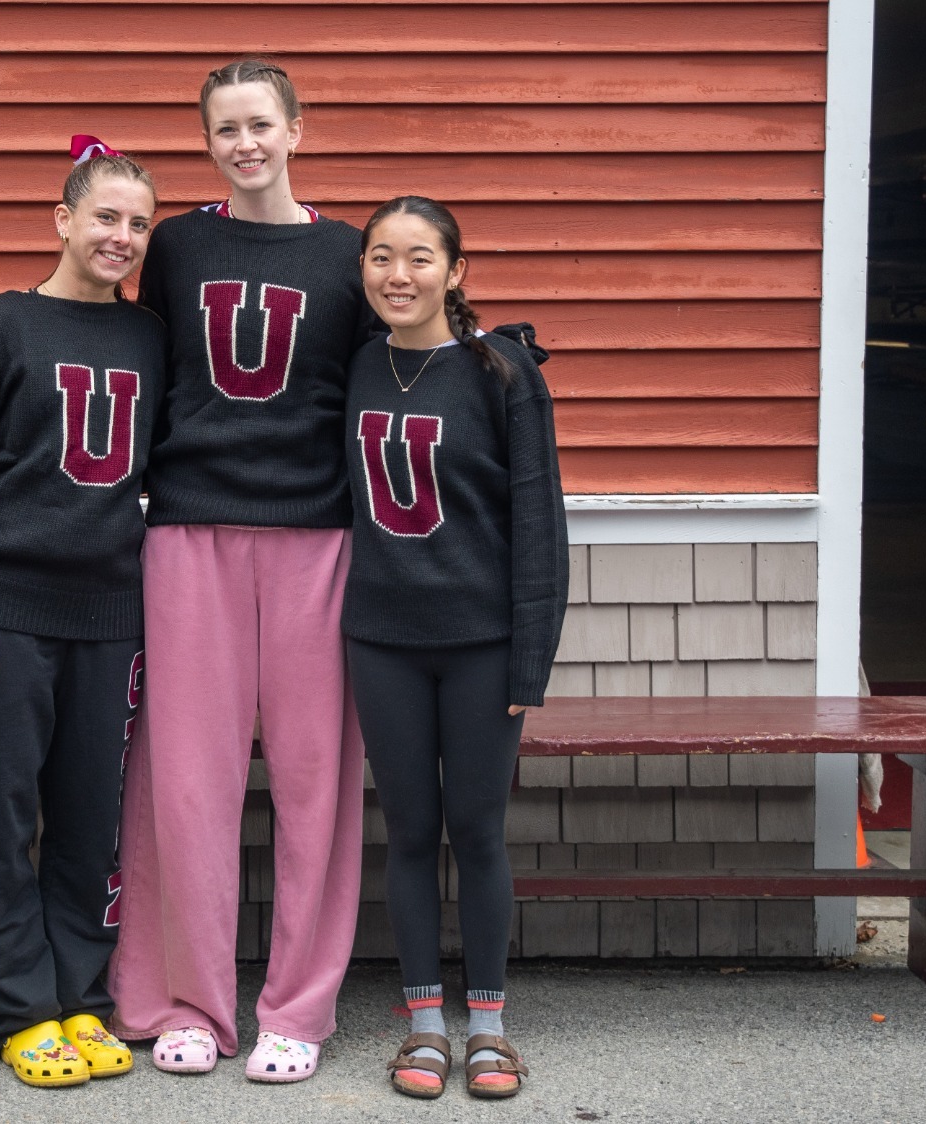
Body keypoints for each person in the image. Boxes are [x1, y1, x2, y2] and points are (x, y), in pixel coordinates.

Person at [106, 59, 378, 1083]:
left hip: (318, 538)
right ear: (207, 139)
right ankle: (187, 1000)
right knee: (181, 783)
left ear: (297, 128)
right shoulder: (173, 246)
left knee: (316, 783)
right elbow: (152, 374)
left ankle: (297, 1006)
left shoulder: (350, 252)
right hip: (189, 532)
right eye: (224, 128)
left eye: (260, 124)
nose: (244, 143)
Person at [0, 138, 165, 1088]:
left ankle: (81, 999)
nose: (122, 237)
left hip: (112, 614)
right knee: (3, 817)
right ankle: (22, 1009)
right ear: (63, 219)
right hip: (6, 614)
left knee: (91, 821)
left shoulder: (149, 337)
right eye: (106, 217)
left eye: (139, 224)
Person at [341, 196, 567, 1100]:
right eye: (382, 257)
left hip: (481, 642)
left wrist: (530, 660)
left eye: (420, 257)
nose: (400, 275)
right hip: (383, 638)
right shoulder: (355, 368)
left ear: (456, 271)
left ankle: (490, 1029)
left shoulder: (504, 372)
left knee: (475, 831)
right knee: (408, 832)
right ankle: (423, 1026)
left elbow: (539, 524)